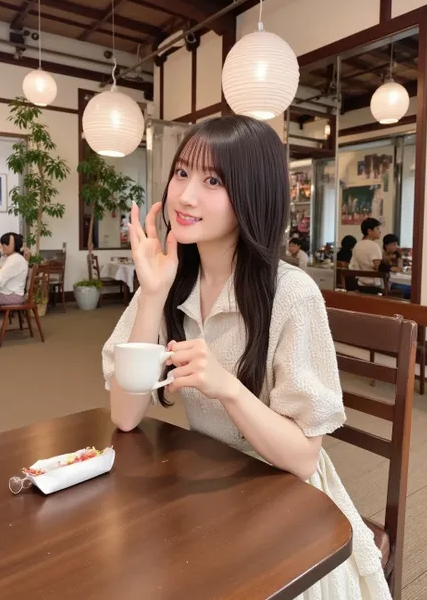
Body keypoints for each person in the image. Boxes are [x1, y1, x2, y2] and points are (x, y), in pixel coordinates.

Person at [102, 116, 391, 600]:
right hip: (205, 486)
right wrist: (152, 294)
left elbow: (302, 458)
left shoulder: (292, 294)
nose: (186, 196)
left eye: (213, 180)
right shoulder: (170, 279)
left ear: (253, 194)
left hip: (286, 503)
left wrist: (228, 386)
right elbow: (124, 416)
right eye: (182, 174)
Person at [0, 233, 28, 318]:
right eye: (3, 243)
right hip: (12, 294)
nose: (3, 246)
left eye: (6, 244)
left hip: (12, 295)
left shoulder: (14, 259)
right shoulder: (13, 257)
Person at [350, 218, 383, 295]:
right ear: (369, 231)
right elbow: (378, 267)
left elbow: (353, 266)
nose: (380, 231)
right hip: (374, 287)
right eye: (377, 229)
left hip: (360, 285)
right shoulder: (374, 246)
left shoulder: (357, 245)